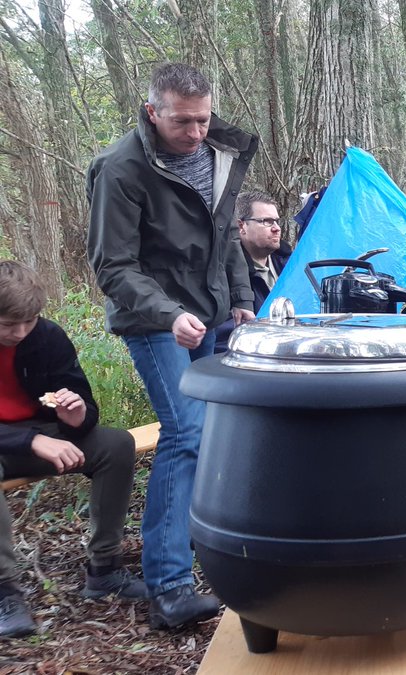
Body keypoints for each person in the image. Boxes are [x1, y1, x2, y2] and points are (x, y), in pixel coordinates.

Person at [86, 62, 258, 629]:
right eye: (181, 122)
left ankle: (205, 553)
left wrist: (238, 295)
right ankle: (170, 587)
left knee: (212, 436)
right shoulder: (121, 168)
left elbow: (224, 232)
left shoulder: (220, 153)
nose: (195, 133)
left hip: (207, 315)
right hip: (152, 318)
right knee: (184, 432)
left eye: (203, 119)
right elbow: (112, 266)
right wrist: (169, 313)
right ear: (152, 111)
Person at [0, 261, 146, 638]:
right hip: (17, 441)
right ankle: (5, 593)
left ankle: (105, 570)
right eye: (7, 325)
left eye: (28, 321)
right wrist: (30, 440)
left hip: (43, 431)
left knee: (116, 444)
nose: (19, 332)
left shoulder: (47, 337)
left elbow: (85, 405)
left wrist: (76, 415)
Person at [214, 190, 292, 352]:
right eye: (267, 222)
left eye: (277, 221)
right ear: (241, 226)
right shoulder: (224, 274)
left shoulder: (290, 264)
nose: (276, 228)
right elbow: (222, 337)